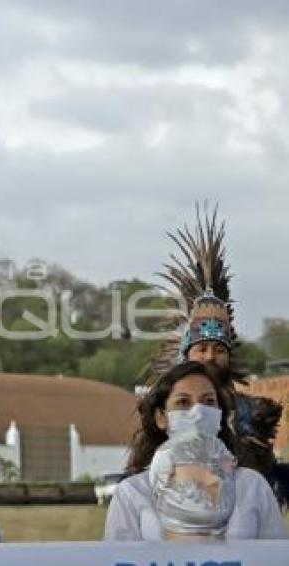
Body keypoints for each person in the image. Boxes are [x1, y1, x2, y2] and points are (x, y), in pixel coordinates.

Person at [150, 205, 282, 477]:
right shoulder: (164, 409)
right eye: (202, 349)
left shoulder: (251, 414)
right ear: (186, 355)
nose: (210, 356)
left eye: (219, 349)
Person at [105, 361, 286, 541]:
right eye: (183, 402)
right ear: (161, 417)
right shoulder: (132, 493)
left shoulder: (253, 486)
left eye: (208, 402)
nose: (199, 411)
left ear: (220, 414)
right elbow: (117, 558)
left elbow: (276, 556)